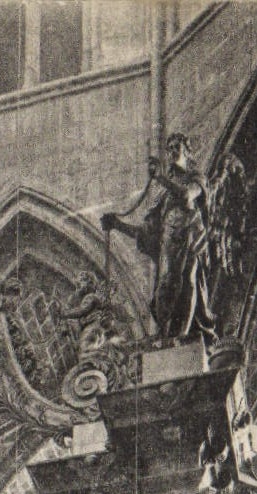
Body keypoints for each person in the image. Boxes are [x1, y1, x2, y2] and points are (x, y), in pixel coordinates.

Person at [103, 134, 215, 344]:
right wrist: (117, 225)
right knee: (165, 292)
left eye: (177, 147)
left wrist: (160, 178)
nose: (173, 152)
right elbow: (146, 235)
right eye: (169, 148)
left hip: (190, 240)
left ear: (188, 151)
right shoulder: (163, 199)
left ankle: (181, 336)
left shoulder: (196, 178)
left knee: (188, 281)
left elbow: (186, 196)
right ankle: (169, 336)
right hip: (169, 249)